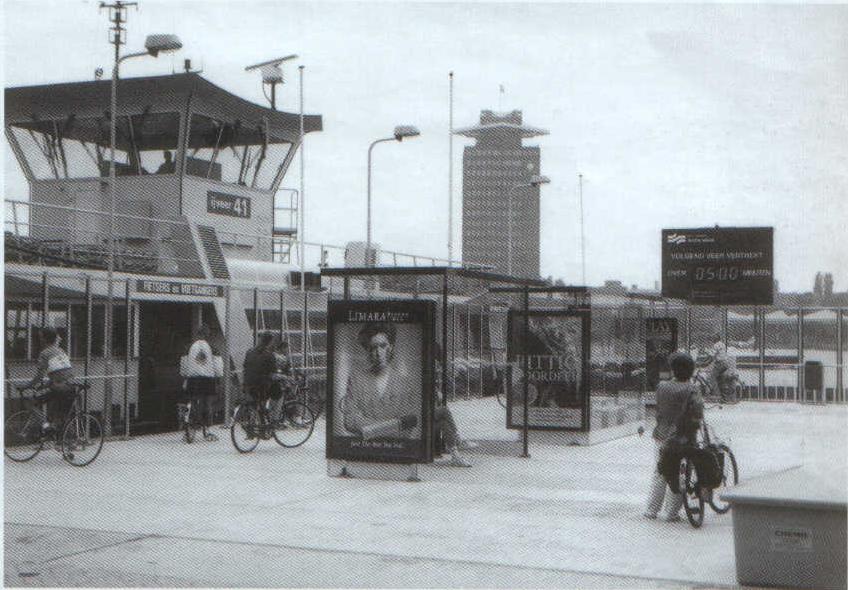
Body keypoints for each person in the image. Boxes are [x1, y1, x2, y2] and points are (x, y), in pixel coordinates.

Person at [644, 351, 704, 521]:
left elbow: (659, 410)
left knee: (660, 471)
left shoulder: (662, 387)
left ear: (673, 369)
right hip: (683, 438)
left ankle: (651, 510)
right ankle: (671, 513)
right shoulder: (692, 389)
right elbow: (698, 413)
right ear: (691, 370)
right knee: (681, 473)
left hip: (662, 436)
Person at [340, 322, 420, 440]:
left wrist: (367, 427)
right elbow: (350, 421)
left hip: (395, 448)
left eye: (383, 346)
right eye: (373, 347)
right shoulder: (356, 379)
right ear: (367, 350)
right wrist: (393, 426)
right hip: (364, 447)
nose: (378, 353)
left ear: (390, 347)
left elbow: (407, 427)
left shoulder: (404, 383)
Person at [20, 327, 75, 434]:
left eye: (40, 337)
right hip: (70, 386)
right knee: (60, 416)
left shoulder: (44, 353)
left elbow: (39, 376)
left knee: (30, 402)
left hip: (58, 388)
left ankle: (46, 426)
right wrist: (45, 385)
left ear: (44, 339)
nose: (39, 339)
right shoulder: (61, 351)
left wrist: (27, 386)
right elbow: (61, 373)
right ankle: (61, 436)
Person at [182, 325, 218, 441]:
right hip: (208, 379)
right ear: (207, 335)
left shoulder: (189, 347)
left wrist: (185, 375)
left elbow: (184, 364)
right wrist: (218, 376)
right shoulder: (212, 348)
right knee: (208, 404)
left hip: (192, 379)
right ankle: (208, 430)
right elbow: (218, 366)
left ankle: (190, 427)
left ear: (197, 334)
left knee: (193, 401)